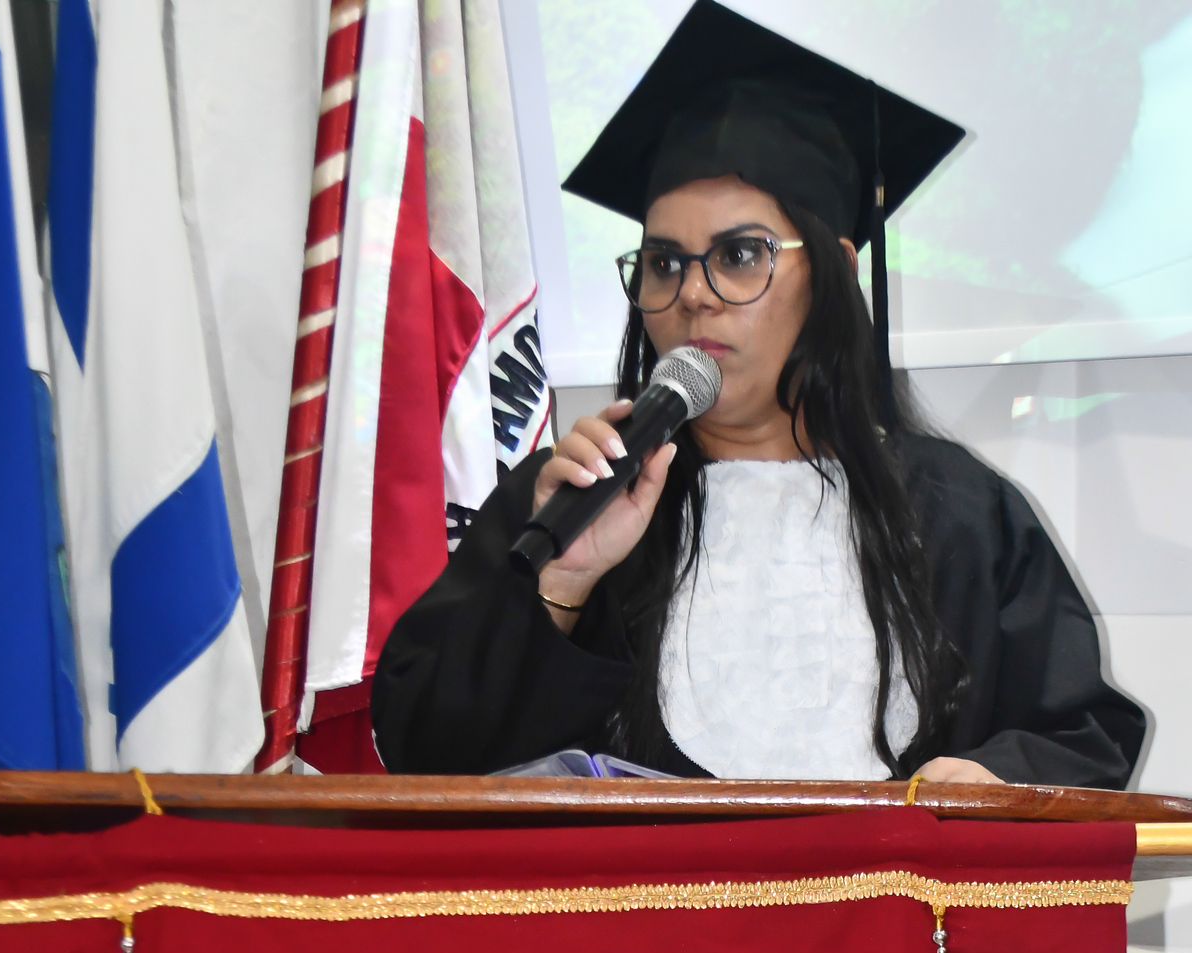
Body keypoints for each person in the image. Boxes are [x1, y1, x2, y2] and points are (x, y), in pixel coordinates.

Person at [370, 0, 1144, 788]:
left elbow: (1080, 739)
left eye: (741, 255)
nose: (693, 296)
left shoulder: (960, 516)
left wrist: (994, 783)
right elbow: (428, 756)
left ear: (837, 272)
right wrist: (564, 586)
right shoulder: (576, 498)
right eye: (665, 263)